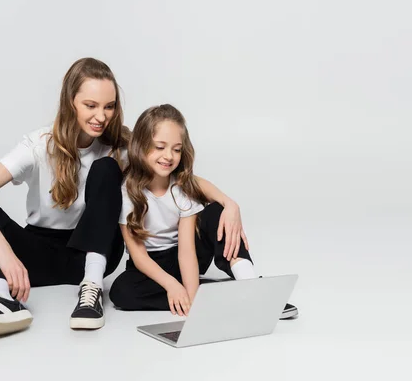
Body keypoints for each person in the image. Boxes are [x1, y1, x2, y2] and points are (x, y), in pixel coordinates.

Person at [0, 58, 252, 344]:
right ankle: (0, 301)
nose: (101, 116)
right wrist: (3, 251)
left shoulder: (121, 145)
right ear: (70, 102)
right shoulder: (38, 144)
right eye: (90, 105)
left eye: (109, 106)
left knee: (107, 168)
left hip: (92, 253)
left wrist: (229, 203)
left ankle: (92, 287)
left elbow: (178, 176)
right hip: (38, 253)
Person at [109, 104, 298, 319]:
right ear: (141, 147)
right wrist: (173, 286)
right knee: (120, 292)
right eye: (160, 147)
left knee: (218, 212)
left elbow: (187, 251)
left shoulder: (181, 189)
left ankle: (250, 285)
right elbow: (139, 257)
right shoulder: (127, 192)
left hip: (181, 256)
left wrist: (190, 290)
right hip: (149, 266)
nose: (169, 156)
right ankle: (212, 297)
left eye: (177, 149)